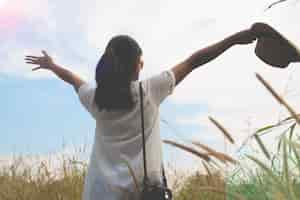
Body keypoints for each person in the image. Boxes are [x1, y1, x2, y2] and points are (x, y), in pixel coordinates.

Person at [25, 28, 256, 200]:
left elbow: (74, 80)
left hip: (99, 194)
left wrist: (52, 66)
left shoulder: (95, 99)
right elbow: (194, 60)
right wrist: (235, 39)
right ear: (135, 65)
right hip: (142, 194)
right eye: (140, 61)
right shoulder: (149, 91)